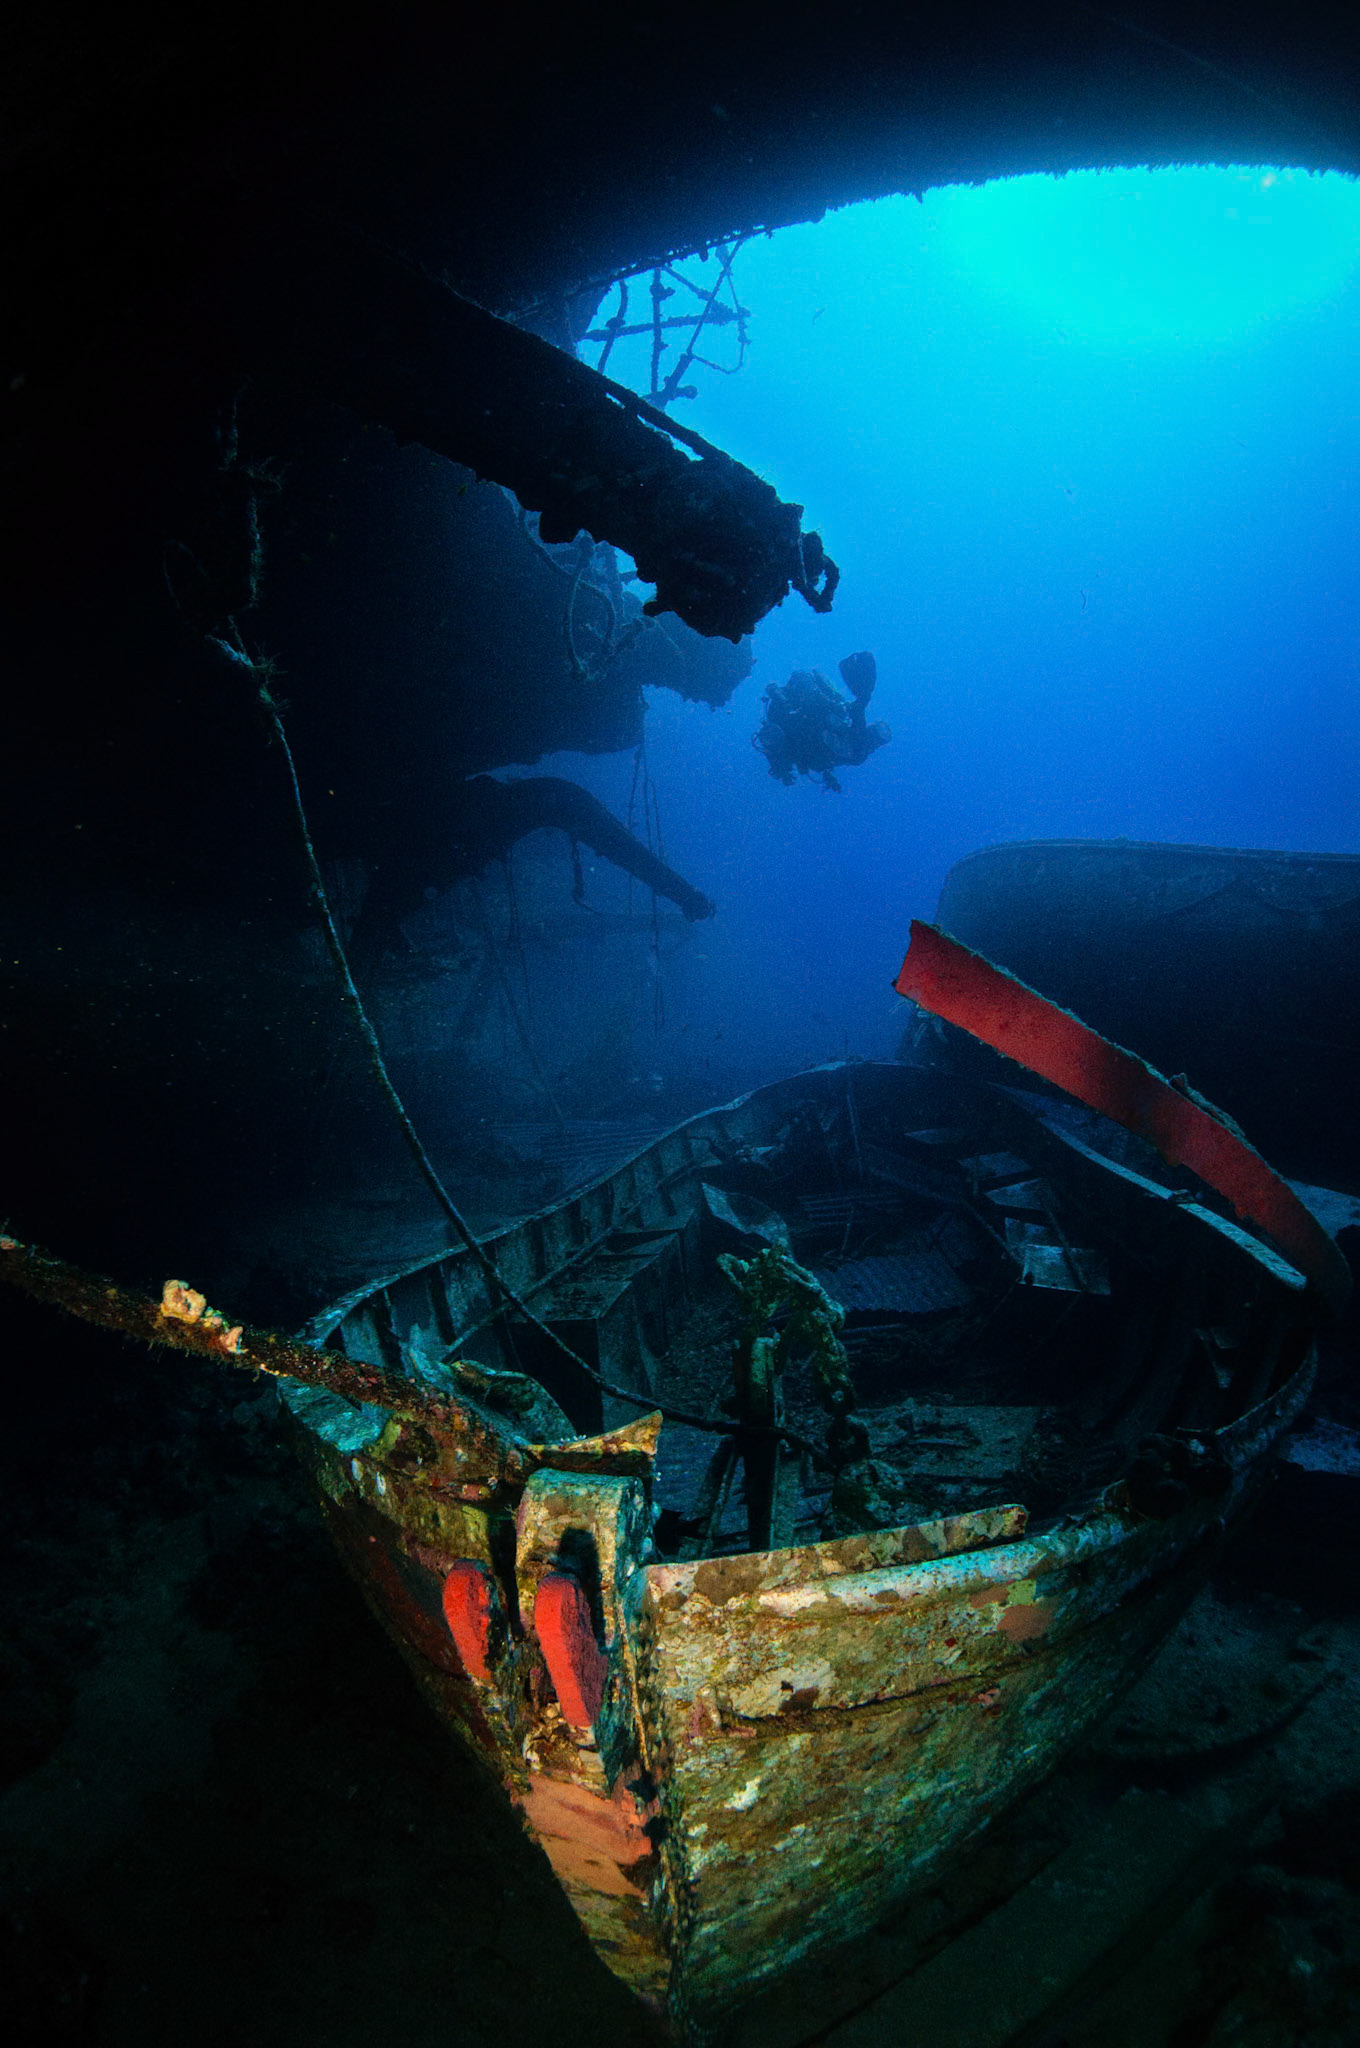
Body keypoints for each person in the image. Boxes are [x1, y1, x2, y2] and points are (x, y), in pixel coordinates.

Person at [753, 651, 890, 791]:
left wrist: (861, 702)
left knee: (831, 707)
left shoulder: (858, 750)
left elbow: (857, 729)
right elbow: (854, 724)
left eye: (881, 734)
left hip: (808, 743)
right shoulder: (851, 737)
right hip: (805, 738)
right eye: (879, 730)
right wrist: (857, 703)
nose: (875, 732)